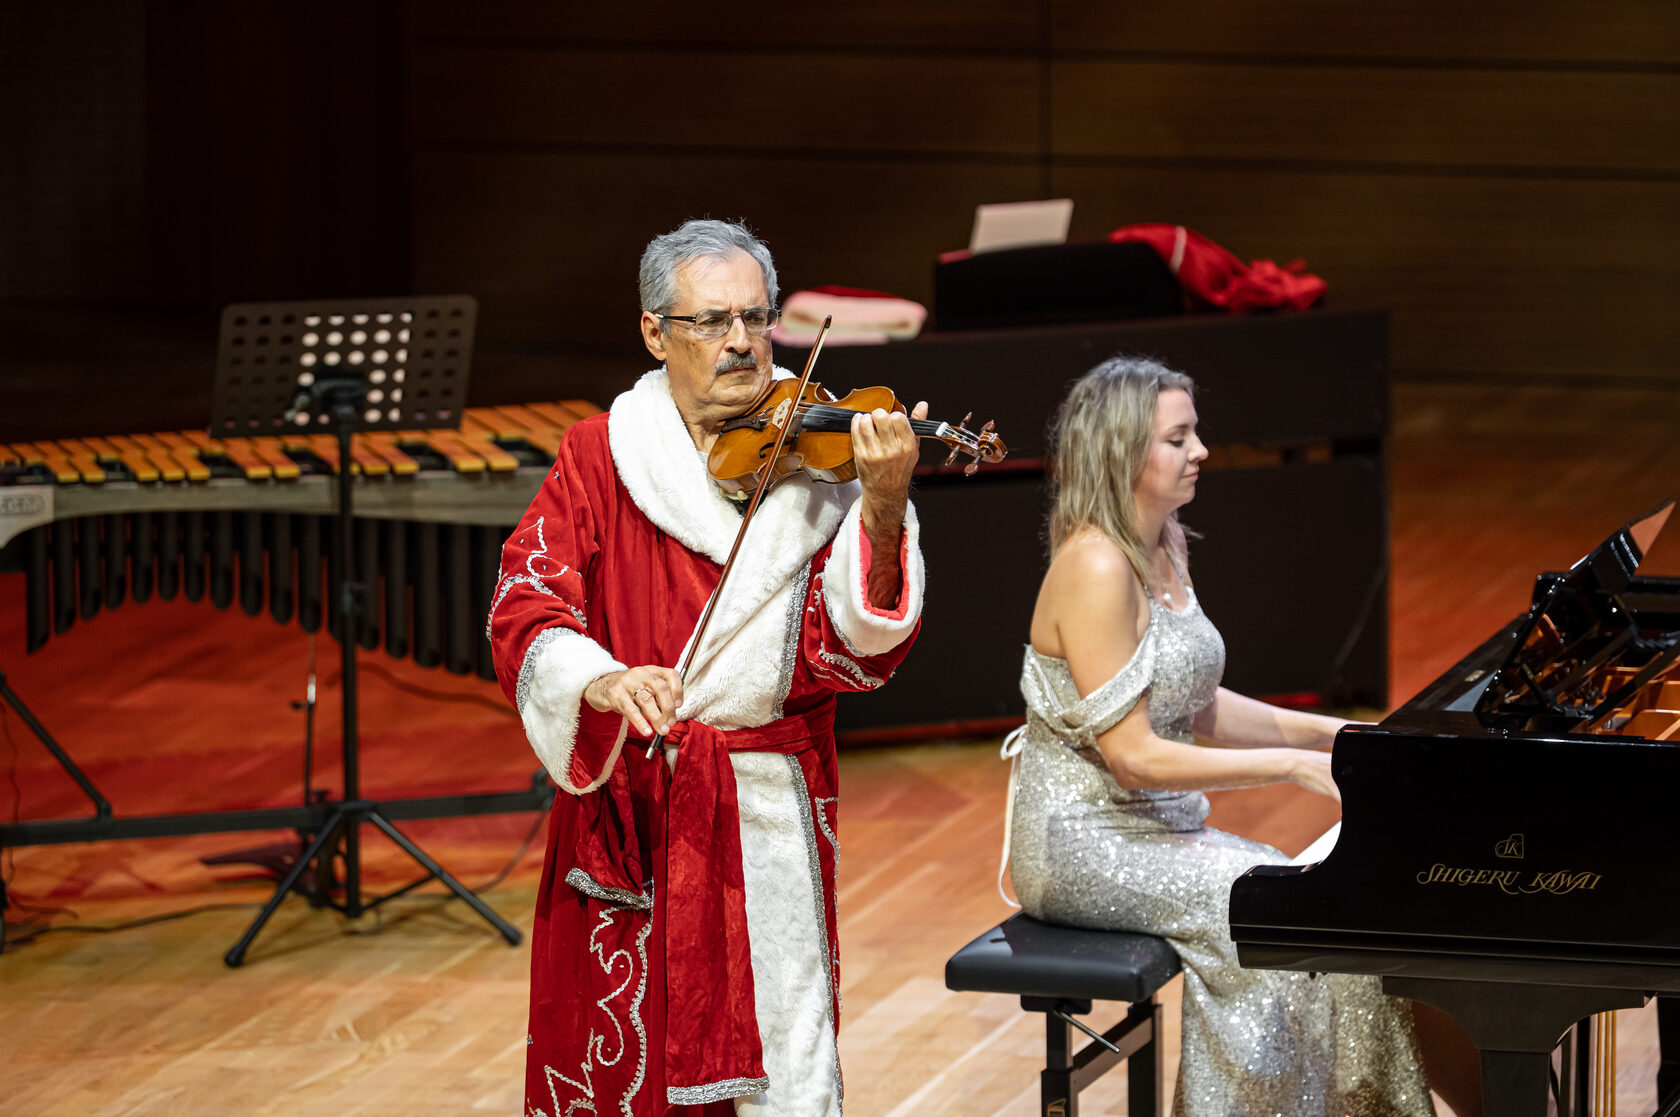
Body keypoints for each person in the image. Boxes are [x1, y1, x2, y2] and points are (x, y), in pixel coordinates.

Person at [488, 219, 926, 1116]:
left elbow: (851, 652)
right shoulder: (601, 453)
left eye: (756, 318)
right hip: (639, 805)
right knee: (627, 1059)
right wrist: (600, 679)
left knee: (785, 1053)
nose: (741, 342)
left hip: (768, 805)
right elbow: (525, 605)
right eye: (712, 321)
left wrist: (884, 504)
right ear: (656, 333)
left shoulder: (824, 462)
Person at [1004, 356, 1479, 1116]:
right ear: (1122, 452)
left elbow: (1196, 704)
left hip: (1160, 831)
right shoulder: (1095, 565)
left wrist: (1341, 734)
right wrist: (1292, 766)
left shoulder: (1163, 542)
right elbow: (1131, 757)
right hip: (1085, 844)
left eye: (1195, 433)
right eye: (1177, 438)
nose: (1201, 450)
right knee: (1280, 917)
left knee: (1345, 914)